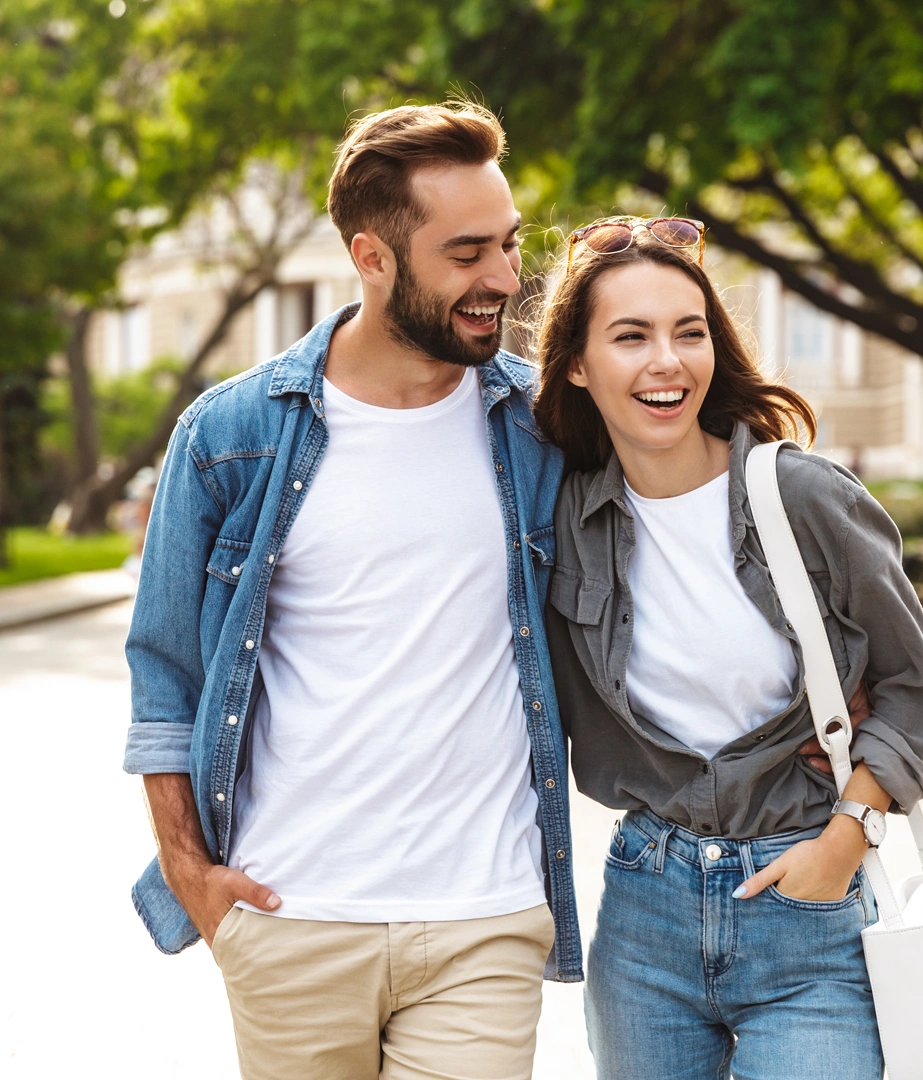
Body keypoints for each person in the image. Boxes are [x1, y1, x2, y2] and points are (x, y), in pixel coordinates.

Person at [122, 102, 582, 1080]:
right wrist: (188, 871)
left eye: (507, 243)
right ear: (372, 258)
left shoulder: (540, 423)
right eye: (468, 253)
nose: (505, 278)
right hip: (293, 917)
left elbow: (675, 529)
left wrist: (827, 666)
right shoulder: (231, 434)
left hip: (484, 918)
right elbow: (164, 670)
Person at [534, 218, 923, 1080]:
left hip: (807, 906)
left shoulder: (802, 497)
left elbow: (914, 689)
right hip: (645, 911)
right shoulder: (560, 523)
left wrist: (846, 840)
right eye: (631, 336)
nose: (667, 362)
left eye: (690, 334)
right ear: (578, 364)